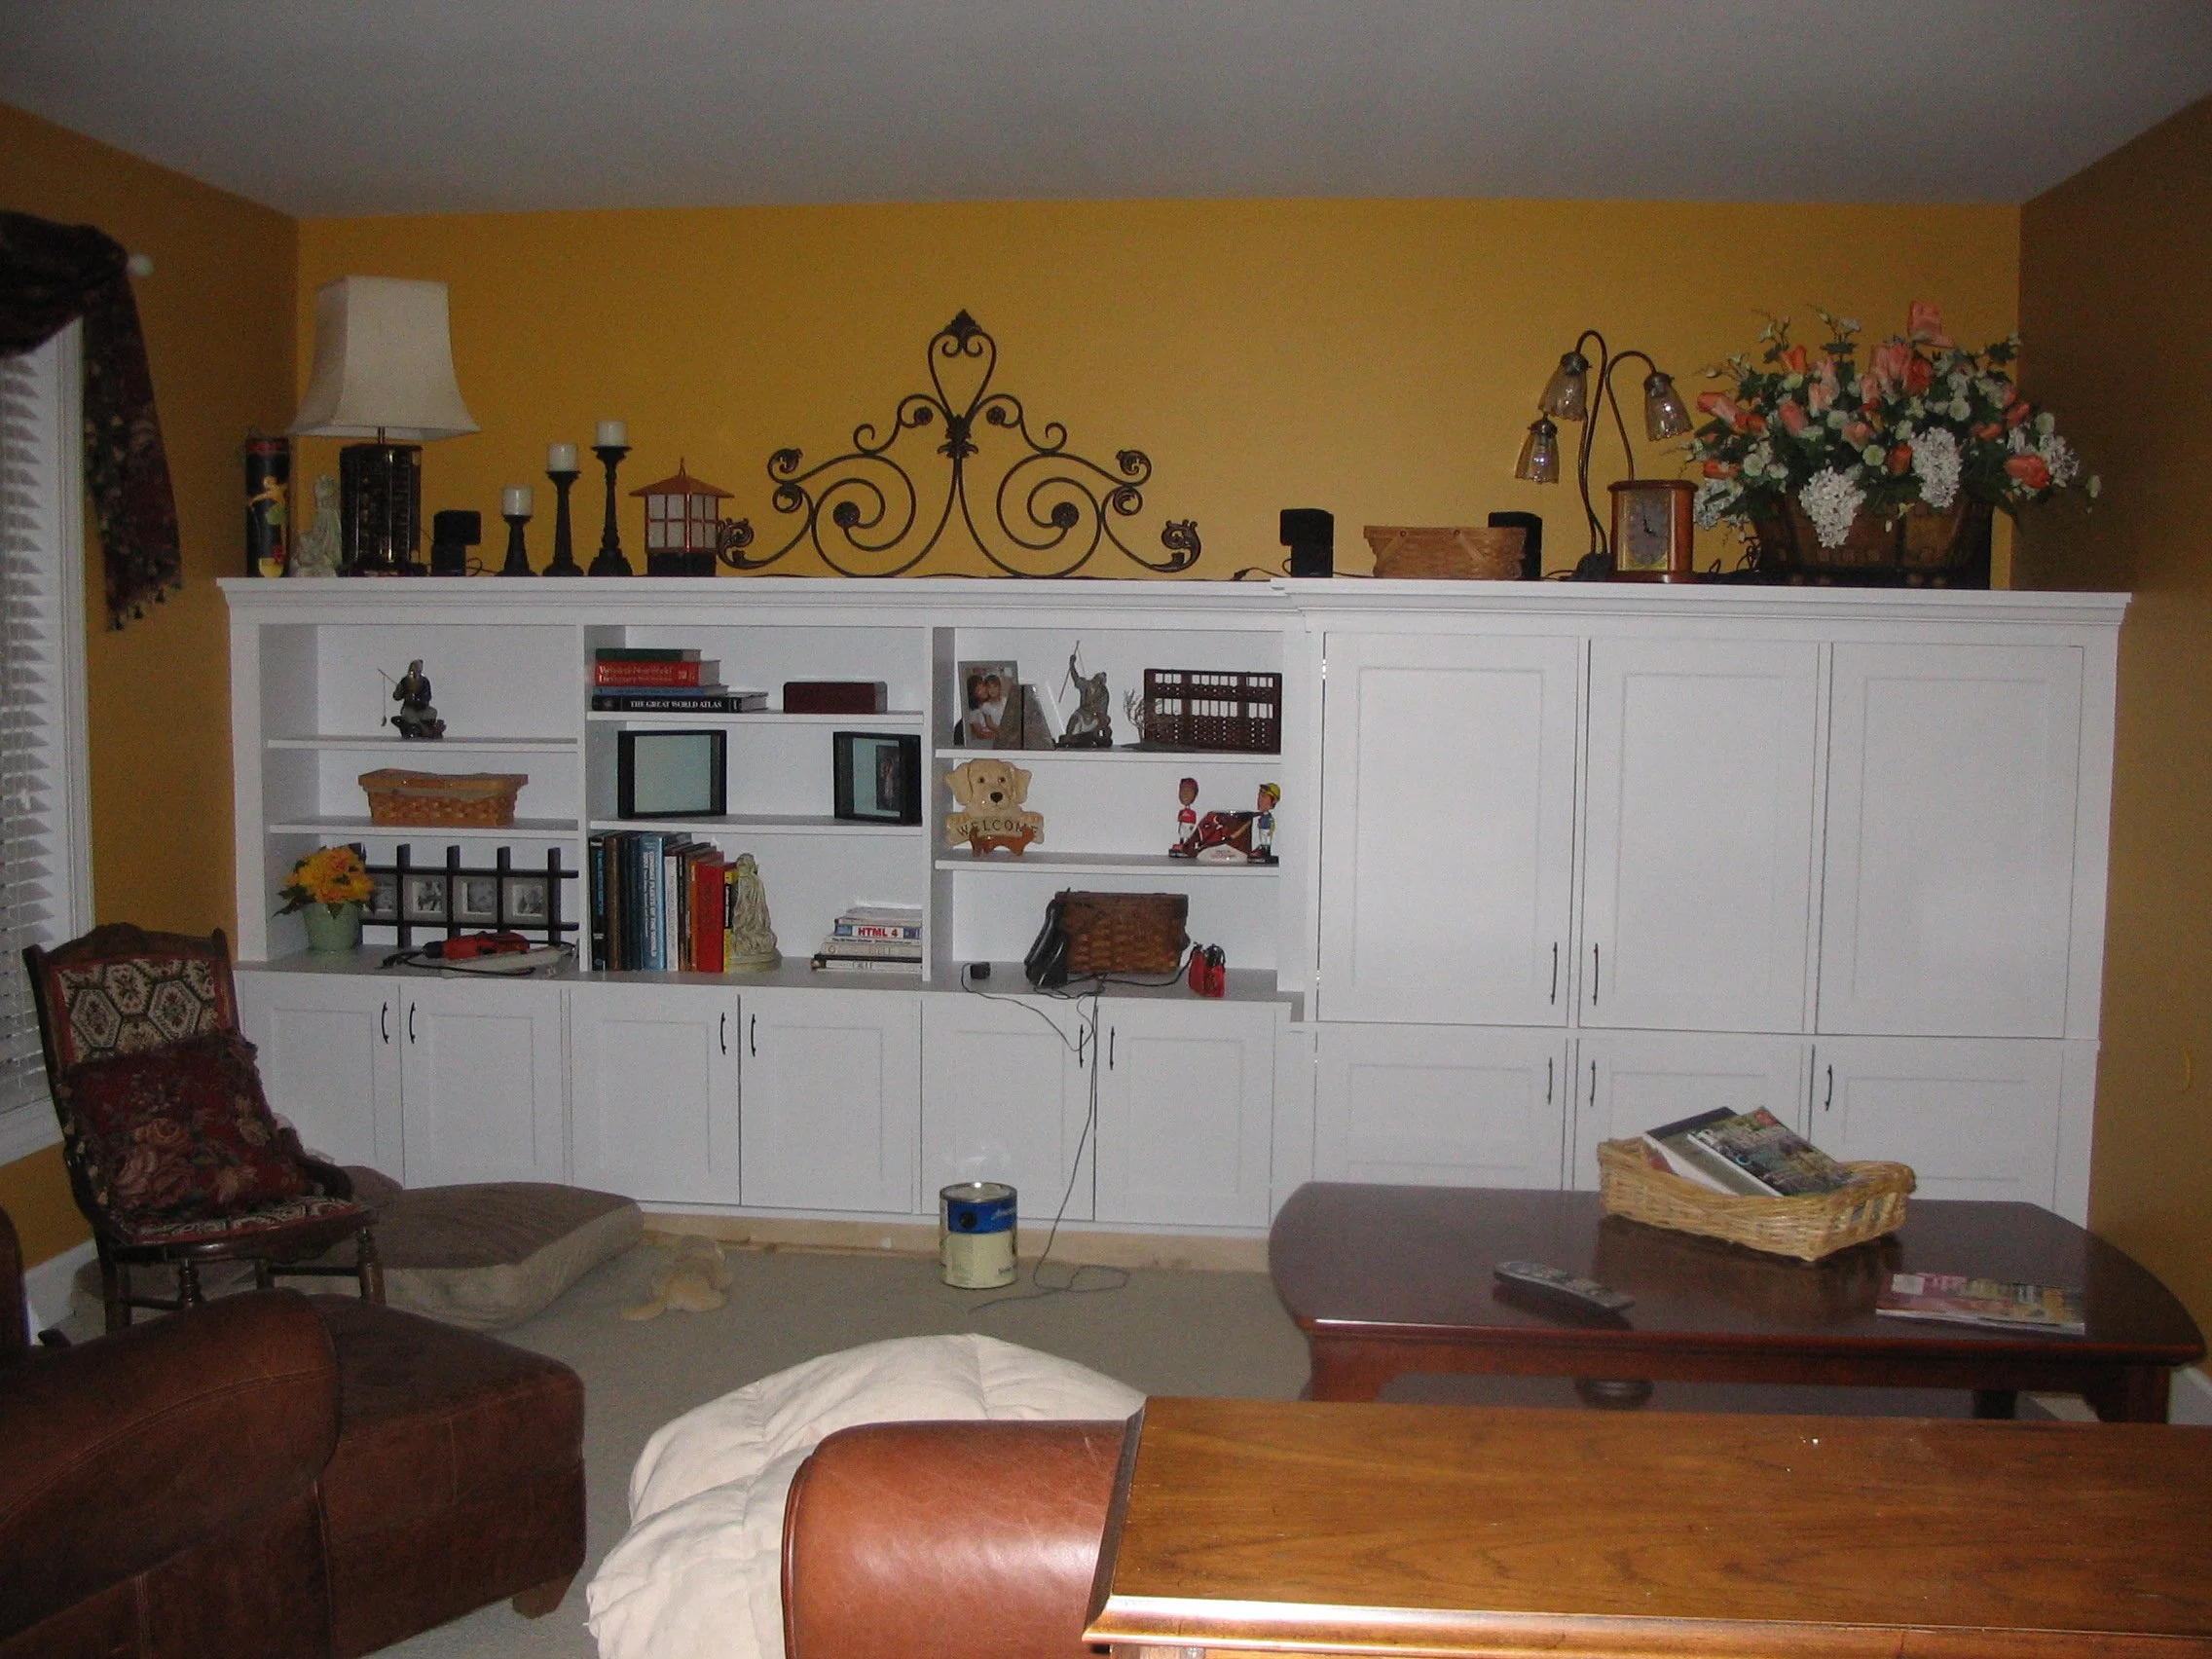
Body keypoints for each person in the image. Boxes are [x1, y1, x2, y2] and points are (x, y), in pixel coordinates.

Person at [390, 659, 445, 740]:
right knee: (408, 715)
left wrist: (417, 699)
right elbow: (397, 697)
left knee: (432, 712)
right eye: (414, 667)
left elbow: (427, 696)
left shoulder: (424, 681)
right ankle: (424, 730)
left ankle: (427, 730)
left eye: (417, 667)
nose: (415, 670)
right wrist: (399, 691)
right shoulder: (405, 680)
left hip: (422, 708)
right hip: (409, 708)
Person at [1250, 783, 1279, 864]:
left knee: (1267, 841)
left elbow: (1272, 823)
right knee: (1263, 840)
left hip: (1267, 831)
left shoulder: (1269, 817)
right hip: (1262, 830)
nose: (1260, 800)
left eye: (1264, 797)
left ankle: (1266, 852)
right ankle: (1263, 850)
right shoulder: (1262, 815)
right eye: (1259, 796)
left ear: (1273, 801)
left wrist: (1271, 830)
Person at [1170, 777, 1199, 856]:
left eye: (1189, 791)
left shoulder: (1192, 813)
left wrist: (1190, 825)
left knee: (1188, 835)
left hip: (1188, 826)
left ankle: (1189, 845)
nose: (1185, 794)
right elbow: (1180, 819)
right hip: (1183, 826)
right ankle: (1182, 843)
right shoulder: (1182, 811)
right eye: (1182, 791)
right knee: (1182, 834)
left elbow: (1193, 820)